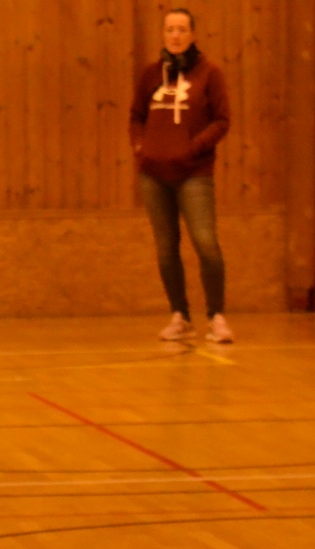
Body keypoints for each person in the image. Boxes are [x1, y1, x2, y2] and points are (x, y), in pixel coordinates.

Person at [130, 7, 234, 344]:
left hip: (193, 174)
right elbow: (136, 116)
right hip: (153, 175)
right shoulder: (150, 74)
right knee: (166, 247)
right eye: (170, 29)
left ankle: (216, 317)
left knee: (205, 242)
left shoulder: (210, 73)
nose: (175, 35)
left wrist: (192, 148)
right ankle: (180, 316)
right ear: (163, 34)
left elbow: (222, 120)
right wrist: (140, 147)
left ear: (193, 34)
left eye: (181, 29)